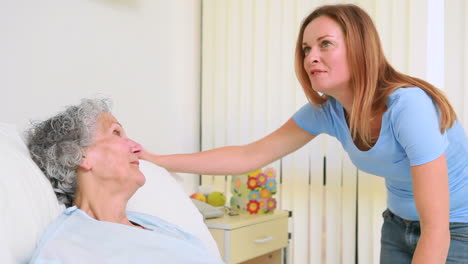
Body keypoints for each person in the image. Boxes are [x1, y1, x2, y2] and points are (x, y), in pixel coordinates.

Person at [140, 4, 468, 264]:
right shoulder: (327, 112)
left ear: (359, 47)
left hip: (456, 228)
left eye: (325, 44)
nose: (311, 56)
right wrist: (156, 159)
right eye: (306, 48)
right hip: (397, 225)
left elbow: (436, 228)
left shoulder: (408, 107)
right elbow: (248, 155)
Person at [26, 99, 223, 264]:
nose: (137, 147)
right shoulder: (68, 247)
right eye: (116, 133)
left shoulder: (153, 224)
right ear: (78, 155)